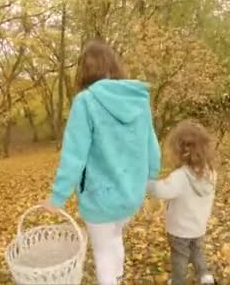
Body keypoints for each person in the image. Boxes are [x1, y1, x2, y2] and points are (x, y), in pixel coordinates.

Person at [43, 39, 161, 285]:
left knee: (103, 251)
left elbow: (74, 155)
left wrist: (57, 197)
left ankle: (113, 279)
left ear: (85, 70)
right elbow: (152, 144)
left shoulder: (85, 102)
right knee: (116, 235)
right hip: (131, 195)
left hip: (100, 198)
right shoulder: (138, 100)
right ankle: (118, 278)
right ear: (113, 66)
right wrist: (151, 177)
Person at [147, 120, 217, 285]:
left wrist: (146, 183)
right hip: (198, 226)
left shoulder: (180, 177)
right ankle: (205, 276)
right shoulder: (211, 173)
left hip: (179, 230)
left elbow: (161, 191)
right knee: (196, 251)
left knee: (179, 257)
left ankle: (178, 281)